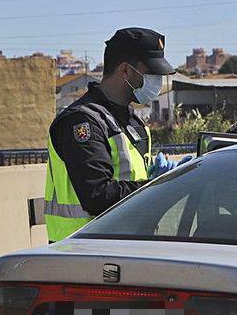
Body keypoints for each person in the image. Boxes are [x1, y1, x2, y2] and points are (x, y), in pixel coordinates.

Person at [44, 27, 178, 242]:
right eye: (152, 74)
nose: (158, 82)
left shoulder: (133, 122)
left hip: (126, 244)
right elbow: (97, 196)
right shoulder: (81, 122)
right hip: (82, 252)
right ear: (125, 71)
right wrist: (156, 187)